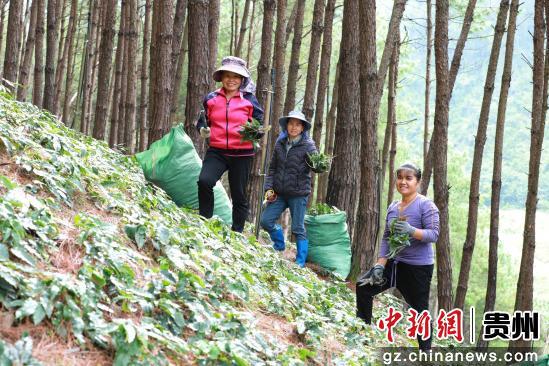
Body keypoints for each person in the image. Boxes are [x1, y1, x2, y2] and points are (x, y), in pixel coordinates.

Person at [355, 162, 440, 351]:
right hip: (393, 263)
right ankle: (362, 333)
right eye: (400, 177)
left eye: (408, 178)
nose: (403, 182)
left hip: (418, 267)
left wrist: (412, 231)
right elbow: (386, 237)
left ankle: (425, 352)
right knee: (363, 286)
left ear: (417, 182)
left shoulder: (426, 205)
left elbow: (433, 234)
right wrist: (379, 265)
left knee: (419, 310)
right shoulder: (393, 207)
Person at [196, 56, 264, 233]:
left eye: (236, 76)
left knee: (238, 195)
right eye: (227, 75)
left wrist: (256, 132)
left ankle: (237, 232)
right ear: (221, 77)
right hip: (217, 151)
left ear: (242, 80)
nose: (231, 80)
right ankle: (204, 221)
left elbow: (259, 123)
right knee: (204, 181)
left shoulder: (249, 100)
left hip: (242, 154)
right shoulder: (211, 98)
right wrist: (203, 128)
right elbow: (203, 121)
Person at [260, 110, 319, 267]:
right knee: (265, 220)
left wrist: (318, 164)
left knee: (298, 228)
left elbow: (316, 164)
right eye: (291, 123)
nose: (294, 127)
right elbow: (272, 168)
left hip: (298, 193)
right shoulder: (280, 143)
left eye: (297, 124)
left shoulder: (308, 145)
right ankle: (279, 245)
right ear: (286, 126)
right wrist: (268, 189)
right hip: (279, 192)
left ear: (302, 128)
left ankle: (300, 261)